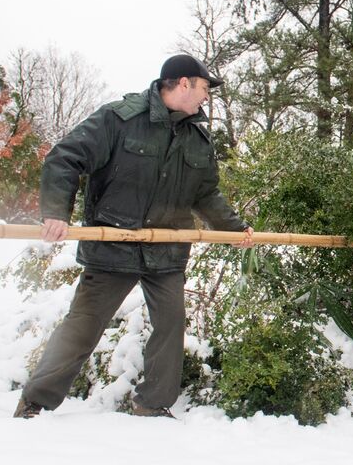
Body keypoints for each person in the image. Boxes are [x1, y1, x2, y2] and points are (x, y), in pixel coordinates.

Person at [13, 55, 253, 420]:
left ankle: (153, 405)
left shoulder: (198, 137)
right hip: (113, 245)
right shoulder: (119, 118)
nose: (207, 97)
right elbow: (64, 158)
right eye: (205, 88)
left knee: (171, 326)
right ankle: (36, 403)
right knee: (83, 326)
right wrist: (56, 213)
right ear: (184, 83)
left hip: (167, 249)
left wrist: (233, 229)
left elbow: (206, 193)